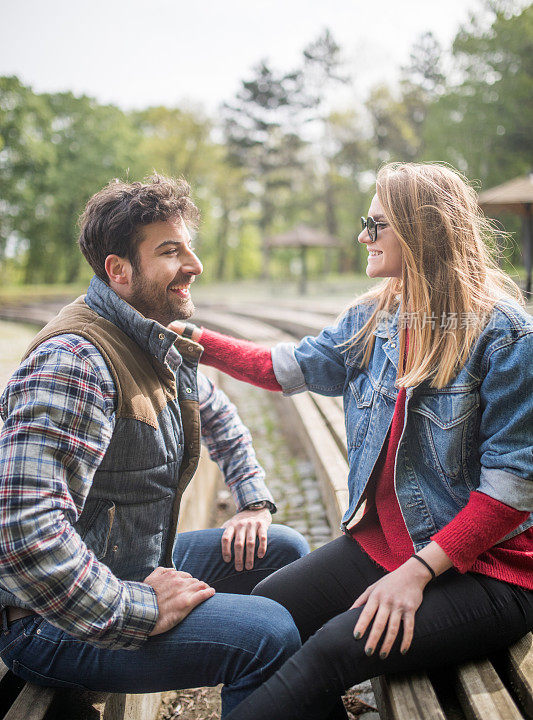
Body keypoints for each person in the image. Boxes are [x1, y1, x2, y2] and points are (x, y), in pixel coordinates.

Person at [171, 162, 533, 720]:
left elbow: (512, 491)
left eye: (376, 224)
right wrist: (198, 341)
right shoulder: (376, 318)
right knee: (258, 621)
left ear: (420, 229)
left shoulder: (504, 333)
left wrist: (415, 575)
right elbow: (286, 367)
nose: (363, 236)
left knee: (335, 648)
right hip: (385, 545)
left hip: (487, 569)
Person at [0, 173, 309, 718]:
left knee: (281, 549)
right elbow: (24, 532)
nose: (195, 265)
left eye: (189, 246)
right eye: (171, 251)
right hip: (48, 619)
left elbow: (219, 414)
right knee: (270, 633)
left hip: (127, 562)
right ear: (118, 271)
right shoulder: (76, 362)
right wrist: (138, 607)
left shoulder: (150, 335)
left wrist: (253, 500)